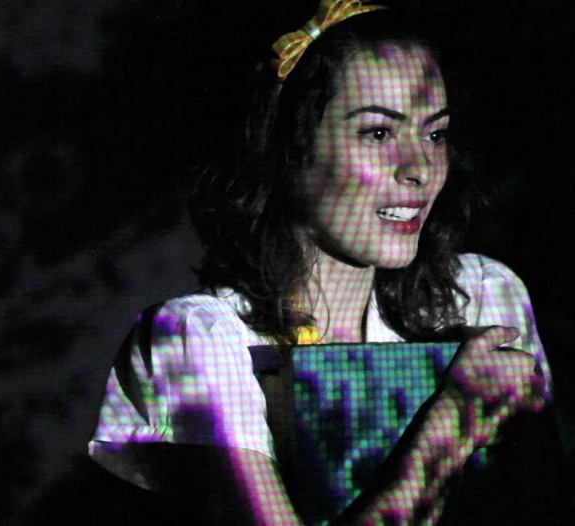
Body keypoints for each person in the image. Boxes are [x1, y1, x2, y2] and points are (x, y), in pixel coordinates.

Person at [89, 1, 551, 523]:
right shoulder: (202, 338)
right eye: (378, 133)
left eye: (434, 134)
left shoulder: (481, 295)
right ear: (288, 148)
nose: (420, 169)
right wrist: (452, 423)